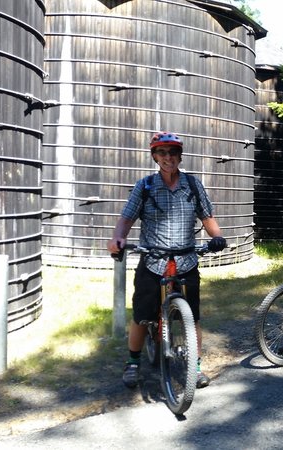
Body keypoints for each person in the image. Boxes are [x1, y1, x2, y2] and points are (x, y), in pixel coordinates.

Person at [107, 131, 226, 389]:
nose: (168, 157)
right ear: (154, 156)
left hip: (186, 260)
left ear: (180, 156)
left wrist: (217, 237)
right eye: (162, 152)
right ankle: (133, 362)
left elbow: (207, 217)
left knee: (192, 317)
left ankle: (194, 367)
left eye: (172, 152)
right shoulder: (145, 186)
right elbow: (127, 219)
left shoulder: (192, 185)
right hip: (154, 260)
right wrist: (117, 238)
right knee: (141, 315)